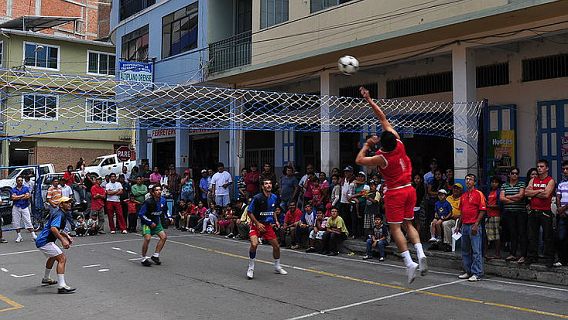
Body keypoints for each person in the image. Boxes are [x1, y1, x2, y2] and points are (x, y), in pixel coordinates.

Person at [355, 86, 427, 284]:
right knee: (409, 224)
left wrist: (367, 144)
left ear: (381, 145)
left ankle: (409, 263)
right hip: (410, 189)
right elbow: (383, 118)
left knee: (395, 229)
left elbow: (359, 160)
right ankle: (420, 253)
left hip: (395, 192)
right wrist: (369, 100)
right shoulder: (399, 142)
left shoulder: (381, 158)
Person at [246, 178, 288, 279]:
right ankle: (251, 267)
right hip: (256, 225)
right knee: (254, 244)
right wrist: (257, 223)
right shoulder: (257, 198)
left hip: (268, 225)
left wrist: (276, 220)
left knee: (276, 246)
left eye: (270, 183)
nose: (268, 185)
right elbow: (249, 212)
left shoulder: (274, 197)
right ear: (262, 186)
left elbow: (273, 210)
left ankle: (277, 266)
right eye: (266, 184)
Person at [35, 196, 76, 294]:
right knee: (62, 259)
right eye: (66, 202)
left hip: (43, 240)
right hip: (44, 241)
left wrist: (67, 236)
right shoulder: (59, 214)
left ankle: (46, 278)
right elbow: (53, 228)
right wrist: (63, 240)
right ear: (61, 205)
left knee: (53, 257)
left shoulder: (61, 213)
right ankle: (62, 286)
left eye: (70, 202)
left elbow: (58, 229)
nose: (69, 204)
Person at [455, 174, 486, 282]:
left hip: (474, 225)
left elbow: (482, 210)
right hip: (465, 225)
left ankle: (477, 273)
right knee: (465, 250)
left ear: (475, 182)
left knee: (476, 250)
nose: (468, 181)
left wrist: (476, 224)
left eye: (470, 179)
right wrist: (458, 226)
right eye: (466, 179)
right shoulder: (463, 196)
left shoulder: (479, 194)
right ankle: (468, 271)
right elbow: (462, 212)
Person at [525, 159, 555, 267]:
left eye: (541, 166)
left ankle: (549, 258)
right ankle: (532, 256)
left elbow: (546, 195)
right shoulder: (533, 180)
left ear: (546, 168)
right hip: (533, 211)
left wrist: (533, 193)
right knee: (532, 235)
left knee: (547, 236)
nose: (539, 168)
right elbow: (526, 192)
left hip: (545, 212)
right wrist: (538, 191)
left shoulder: (550, 180)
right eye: (538, 166)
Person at [138, 185, 172, 266]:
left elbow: (166, 210)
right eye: (156, 190)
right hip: (147, 223)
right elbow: (141, 214)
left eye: (160, 190)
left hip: (156, 222)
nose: (159, 192)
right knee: (148, 238)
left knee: (163, 237)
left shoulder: (163, 200)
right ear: (153, 193)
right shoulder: (148, 202)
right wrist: (150, 222)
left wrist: (169, 217)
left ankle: (155, 256)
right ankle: (144, 259)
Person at [500, 167, 527, 263]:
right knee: (512, 233)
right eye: (513, 173)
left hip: (520, 212)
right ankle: (513, 254)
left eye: (516, 173)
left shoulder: (521, 184)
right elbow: (502, 198)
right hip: (509, 213)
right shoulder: (504, 185)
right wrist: (513, 199)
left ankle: (523, 255)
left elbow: (521, 196)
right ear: (509, 174)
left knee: (522, 233)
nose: (515, 175)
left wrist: (509, 198)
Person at [11, 176, 37, 242]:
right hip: (16, 207)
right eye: (19, 180)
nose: (20, 182)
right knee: (16, 222)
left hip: (24, 206)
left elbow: (27, 196)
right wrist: (22, 195)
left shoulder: (26, 188)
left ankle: (33, 235)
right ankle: (19, 236)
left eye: (21, 180)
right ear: (16, 181)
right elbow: (13, 198)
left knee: (28, 221)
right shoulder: (13, 189)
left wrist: (18, 197)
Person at [554, 160, 568, 267]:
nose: (565, 171)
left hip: (564, 211)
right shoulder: (561, 183)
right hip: (562, 215)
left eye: (567, 169)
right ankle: (562, 260)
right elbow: (558, 197)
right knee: (560, 237)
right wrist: (559, 209)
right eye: (563, 169)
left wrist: (563, 208)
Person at [485, 176, 502, 259]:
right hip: (488, 215)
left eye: (496, 182)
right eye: (492, 182)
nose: (494, 183)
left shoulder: (499, 192)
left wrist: (489, 206)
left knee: (496, 235)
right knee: (487, 234)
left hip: (496, 215)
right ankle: (486, 253)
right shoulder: (489, 192)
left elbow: (500, 205)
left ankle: (497, 253)